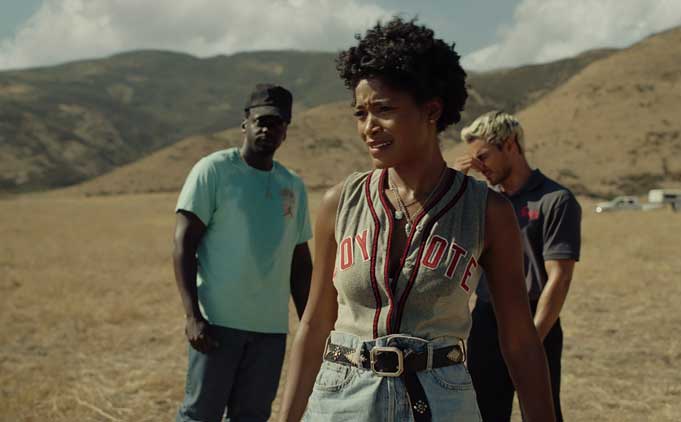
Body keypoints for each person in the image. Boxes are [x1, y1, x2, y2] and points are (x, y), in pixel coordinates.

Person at [280, 18, 555, 422]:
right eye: (360, 113)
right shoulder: (340, 203)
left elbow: (519, 338)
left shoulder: (487, 212)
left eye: (384, 110)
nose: (369, 128)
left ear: (432, 110)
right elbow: (315, 322)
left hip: (441, 401)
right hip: (341, 400)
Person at [172, 83, 313, 422]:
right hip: (217, 324)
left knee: (252, 416)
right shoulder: (214, 170)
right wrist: (193, 316)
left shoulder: (292, 186)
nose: (268, 129)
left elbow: (300, 265)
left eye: (277, 123)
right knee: (200, 414)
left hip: (270, 331)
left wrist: (311, 325)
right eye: (261, 121)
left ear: (286, 131)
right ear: (245, 123)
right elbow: (183, 245)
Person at [455, 111, 582, 422]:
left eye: (483, 156)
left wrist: (529, 342)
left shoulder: (556, 200)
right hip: (487, 320)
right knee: (482, 414)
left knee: (539, 414)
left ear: (510, 145)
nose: (479, 167)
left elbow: (559, 278)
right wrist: (455, 185)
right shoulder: (484, 203)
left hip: (535, 319)